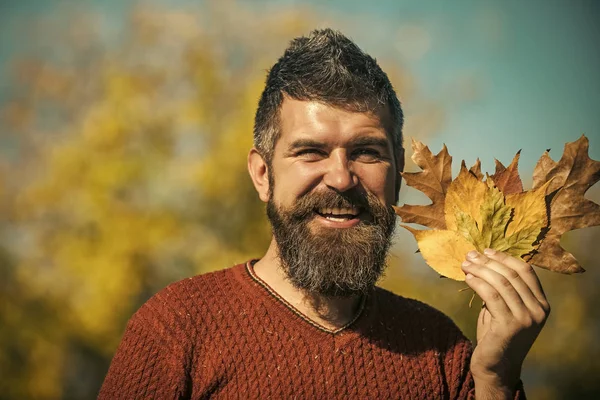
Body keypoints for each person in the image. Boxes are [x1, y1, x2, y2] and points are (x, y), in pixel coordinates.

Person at [99, 29, 549, 399]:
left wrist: (495, 381)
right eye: (311, 151)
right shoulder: (176, 329)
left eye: (367, 152)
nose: (340, 178)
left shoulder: (440, 349)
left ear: (398, 176)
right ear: (262, 174)